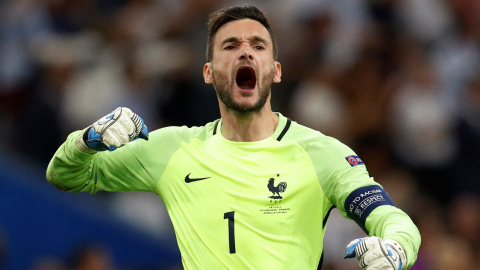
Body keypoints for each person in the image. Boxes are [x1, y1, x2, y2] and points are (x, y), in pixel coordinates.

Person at [46, 5, 421, 270]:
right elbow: (65, 175)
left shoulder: (321, 154)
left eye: (258, 46)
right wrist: (87, 140)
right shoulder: (172, 149)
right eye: (231, 46)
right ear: (209, 72)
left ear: (274, 71)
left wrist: (397, 247)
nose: (245, 52)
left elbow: (389, 217)